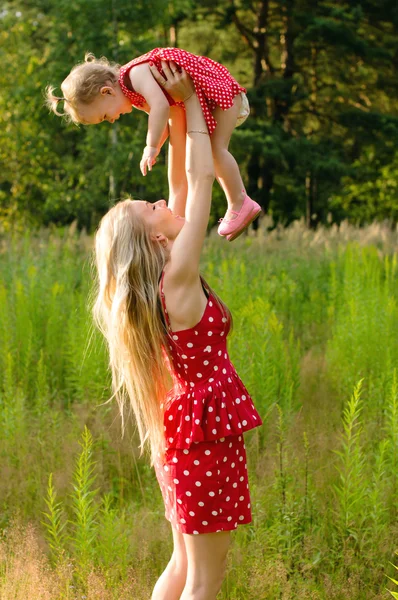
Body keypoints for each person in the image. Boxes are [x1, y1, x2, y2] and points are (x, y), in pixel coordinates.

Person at [91, 62, 263, 600]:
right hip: (205, 442)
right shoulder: (180, 276)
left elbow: (178, 181)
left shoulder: (156, 289)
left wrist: (181, 113)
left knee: (183, 567)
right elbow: (200, 178)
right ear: (152, 239)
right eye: (151, 209)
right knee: (206, 582)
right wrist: (191, 111)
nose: (163, 204)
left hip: (182, 439)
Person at [45, 47, 262, 242]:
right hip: (206, 98)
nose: (111, 120)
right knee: (209, 153)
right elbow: (166, 120)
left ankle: (239, 202)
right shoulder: (134, 94)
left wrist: (149, 145)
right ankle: (237, 203)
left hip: (220, 92)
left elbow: (161, 106)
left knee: (216, 150)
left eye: (103, 116)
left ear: (107, 91)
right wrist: (156, 146)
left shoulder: (134, 74)